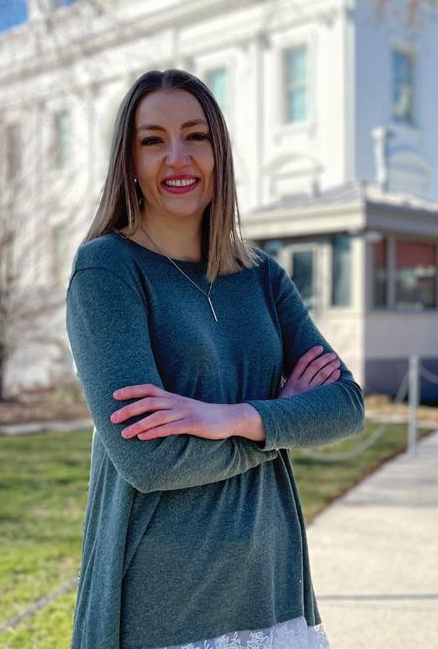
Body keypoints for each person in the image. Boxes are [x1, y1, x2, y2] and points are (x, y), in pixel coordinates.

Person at [65, 69, 365, 648]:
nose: (177, 158)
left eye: (195, 136)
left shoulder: (260, 275)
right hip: (166, 598)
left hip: (272, 582)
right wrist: (278, 424)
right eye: (153, 140)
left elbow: (346, 406)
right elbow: (149, 461)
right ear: (129, 160)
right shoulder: (107, 270)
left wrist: (234, 417)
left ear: (218, 152)